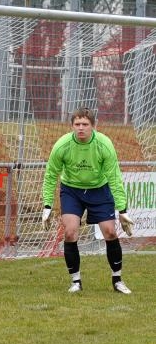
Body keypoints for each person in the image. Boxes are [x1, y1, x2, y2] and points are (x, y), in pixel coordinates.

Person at [41, 107, 134, 294]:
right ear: (72, 126)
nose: (81, 128)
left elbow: (115, 178)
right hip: (71, 191)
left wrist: (122, 210)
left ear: (93, 126)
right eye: (77, 124)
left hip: (99, 191)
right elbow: (51, 175)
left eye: (85, 124)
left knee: (109, 232)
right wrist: (47, 205)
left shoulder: (104, 144)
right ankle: (76, 282)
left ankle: (117, 280)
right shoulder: (62, 145)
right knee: (70, 232)